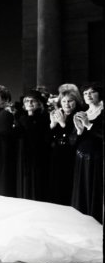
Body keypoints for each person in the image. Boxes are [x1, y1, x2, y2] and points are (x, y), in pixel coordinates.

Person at [71, 83, 103, 222]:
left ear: (99, 94)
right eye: (85, 93)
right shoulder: (83, 113)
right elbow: (72, 141)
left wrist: (89, 125)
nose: (88, 95)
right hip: (82, 158)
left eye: (92, 92)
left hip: (98, 158)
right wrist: (79, 130)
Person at [14, 90, 50, 200]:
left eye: (33, 101)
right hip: (22, 154)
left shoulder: (44, 118)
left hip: (38, 155)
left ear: (39, 103)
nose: (29, 103)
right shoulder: (20, 118)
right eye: (27, 101)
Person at [48, 89, 80, 205]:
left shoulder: (78, 116)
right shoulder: (58, 115)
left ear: (76, 102)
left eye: (70, 101)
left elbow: (73, 140)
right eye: (64, 101)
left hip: (70, 157)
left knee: (67, 187)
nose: (66, 104)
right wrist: (52, 125)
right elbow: (47, 139)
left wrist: (62, 124)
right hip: (56, 155)